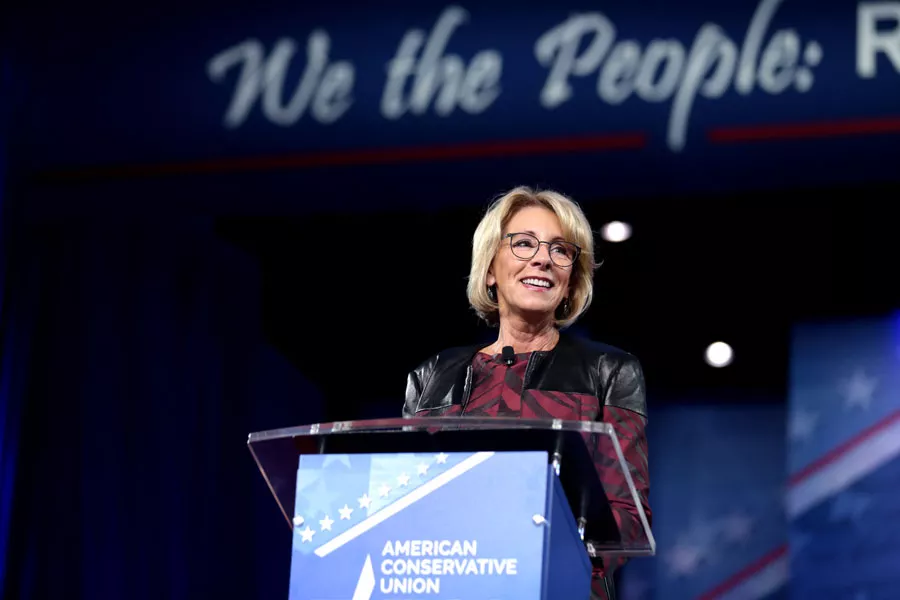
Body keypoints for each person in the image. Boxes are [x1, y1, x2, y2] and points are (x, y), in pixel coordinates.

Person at [402, 186, 650, 600]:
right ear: (489, 269)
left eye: (561, 250)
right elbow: (406, 504)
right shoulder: (431, 376)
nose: (542, 259)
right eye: (523, 244)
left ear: (571, 281)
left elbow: (628, 516)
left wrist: (533, 541)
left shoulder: (610, 372)